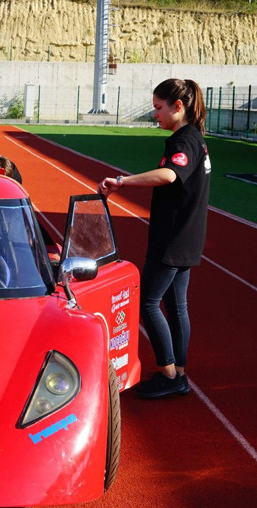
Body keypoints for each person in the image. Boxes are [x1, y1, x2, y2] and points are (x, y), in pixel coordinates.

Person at [97, 78, 210, 399]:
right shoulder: (194, 138)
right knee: (176, 305)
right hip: (187, 234)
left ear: (178, 107)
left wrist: (122, 181)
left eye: (159, 108)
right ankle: (179, 372)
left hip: (173, 236)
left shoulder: (184, 141)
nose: (154, 114)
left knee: (147, 302)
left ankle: (169, 373)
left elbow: (170, 175)